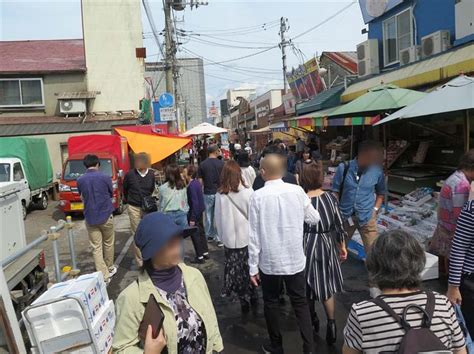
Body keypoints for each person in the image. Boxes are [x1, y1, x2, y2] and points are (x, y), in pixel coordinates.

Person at [112, 212, 224, 353]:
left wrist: (218, 348)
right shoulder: (131, 298)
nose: (177, 245)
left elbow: (211, 318)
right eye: (169, 242)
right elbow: (120, 348)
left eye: (177, 238)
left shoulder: (194, 276)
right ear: (151, 250)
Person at [343, 230, 466, 354]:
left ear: (373, 266)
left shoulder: (362, 313)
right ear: (419, 263)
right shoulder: (442, 304)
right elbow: (460, 351)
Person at [248, 154, 320, 354]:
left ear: (263, 172)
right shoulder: (297, 191)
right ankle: (309, 347)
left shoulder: (257, 196)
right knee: (300, 302)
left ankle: (276, 345)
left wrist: (252, 266)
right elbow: (314, 219)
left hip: (269, 260)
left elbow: (253, 235)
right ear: (282, 171)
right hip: (294, 258)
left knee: (270, 302)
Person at [300, 162, 347, 345]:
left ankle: (312, 319)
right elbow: (339, 225)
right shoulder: (330, 198)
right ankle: (332, 323)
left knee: (307, 283)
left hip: (306, 243)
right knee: (326, 285)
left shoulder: (302, 199)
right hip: (326, 242)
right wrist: (342, 246)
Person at [215, 160, 257, 313]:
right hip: (246, 238)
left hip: (229, 239)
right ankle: (252, 292)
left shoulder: (220, 194)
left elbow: (217, 220)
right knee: (248, 267)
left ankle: (242, 296)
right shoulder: (248, 192)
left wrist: (222, 236)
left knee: (234, 269)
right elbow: (254, 218)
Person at [332, 140, 386, 253]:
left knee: (373, 253)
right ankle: (335, 269)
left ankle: (373, 270)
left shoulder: (377, 171)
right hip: (345, 217)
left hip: (367, 217)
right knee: (338, 250)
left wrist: (375, 210)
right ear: (362, 154)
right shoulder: (344, 168)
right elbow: (335, 192)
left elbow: (381, 193)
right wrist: (336, 212)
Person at [77, 154, 117, 282]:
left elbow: (81, 196)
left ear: (85, 165)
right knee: (108, 243)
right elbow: (111, 193)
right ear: (98, 164)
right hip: (106, 215)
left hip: (90, 217)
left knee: (96, 247)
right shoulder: (105, 177)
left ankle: (104, 276)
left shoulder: (80, 180)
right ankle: (110, 267)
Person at [430, 150, 474, 262]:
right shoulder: (462, 185)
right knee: (456, 265)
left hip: (446, 228)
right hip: (453, 232)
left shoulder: (455, 177)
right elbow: (461, 216)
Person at [123, 152, 156, 267]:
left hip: (147, 208)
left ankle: (149, 256)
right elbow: (125, 189)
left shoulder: (151, 174)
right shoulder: (130, 175)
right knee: (136, 233)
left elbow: (152, 189)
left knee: (149, 231)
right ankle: (140, 261)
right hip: (133, 207)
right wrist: (129, 201)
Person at [447, 199, 474, 336]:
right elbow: (459, 246)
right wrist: (453, 286)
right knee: (469, 329)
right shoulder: (472, 208)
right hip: (471, 280)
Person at [198, 144, 225, 246]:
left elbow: (200, 181)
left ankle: (209, 234)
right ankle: (218, 237)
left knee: (209, 216)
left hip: (208, 192)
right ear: (215, 151)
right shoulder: (222, 164)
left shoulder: (203, 164)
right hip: (220, 192)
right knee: (219, 215)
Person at [184, 164, 209, 264]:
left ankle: (199, 256)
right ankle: (205, 251)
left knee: (195, 234)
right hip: (200, 210)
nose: (183, 173)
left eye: (185, 172)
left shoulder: (192, 186)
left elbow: (194, 202)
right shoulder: (196, 183)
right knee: (201, 232)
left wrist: (192, 218)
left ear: (189, 173)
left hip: (195, 212)